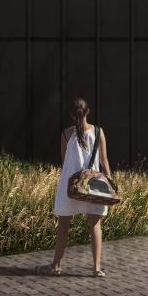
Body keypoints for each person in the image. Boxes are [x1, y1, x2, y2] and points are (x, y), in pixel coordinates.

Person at [49, 98, 112, 277]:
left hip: (71, 186)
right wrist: (110, 184)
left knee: (63, 225)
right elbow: (104, 161)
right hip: (93, 186)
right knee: (95, 225)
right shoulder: (98, 131)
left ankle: (56, 265)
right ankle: (97, 268)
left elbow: (64, 162)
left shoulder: (66, 134)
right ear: (88, 111)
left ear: (71, 114)